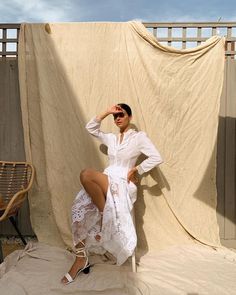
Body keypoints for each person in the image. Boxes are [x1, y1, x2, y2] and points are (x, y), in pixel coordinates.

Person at [61, 103, 163, 284]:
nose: (117, 118)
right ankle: (80, 259)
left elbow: (156, 157)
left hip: (122, 183)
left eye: (121, 115)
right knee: (79, 205)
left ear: (129, 117)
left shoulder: (139, 138)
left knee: (85, 174)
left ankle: (104, 214)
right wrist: (106, 112)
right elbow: (90, 128)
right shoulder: (112, 139)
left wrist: (136, 169)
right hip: (107, 180)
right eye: (115, 116)